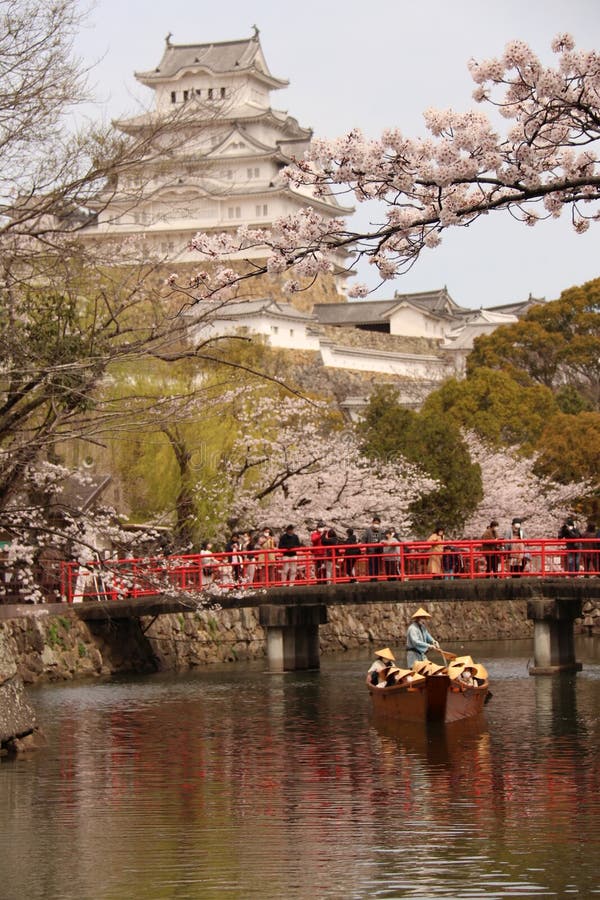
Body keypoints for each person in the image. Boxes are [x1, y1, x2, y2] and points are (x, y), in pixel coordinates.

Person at [362, 516, 384, 580]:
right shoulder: (368, 530)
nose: (376, 524)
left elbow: (383, 539)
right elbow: (364, 539)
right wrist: (364, 545)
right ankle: (372, 577)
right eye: (375, 523)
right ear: (372, 522)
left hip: (378, 550)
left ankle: (376, 577)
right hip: (370, 550)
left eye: (378, 523)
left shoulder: (381, 531)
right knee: (371, 564)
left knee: (377, 564)